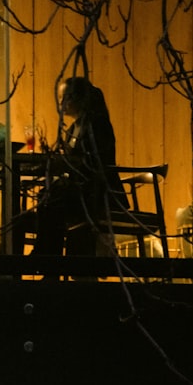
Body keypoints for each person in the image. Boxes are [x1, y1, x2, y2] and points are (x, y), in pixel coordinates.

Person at [32, 76, 127, 256]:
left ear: (78, 98)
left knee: (52, 199)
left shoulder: (96, 125)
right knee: (47, 194)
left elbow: (94, 163)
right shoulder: (73, 128)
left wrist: (64, 163)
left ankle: (46, 256)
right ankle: (47, 255)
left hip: (96, 193)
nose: (60, 103)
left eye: (64, 98)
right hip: (80, 191)